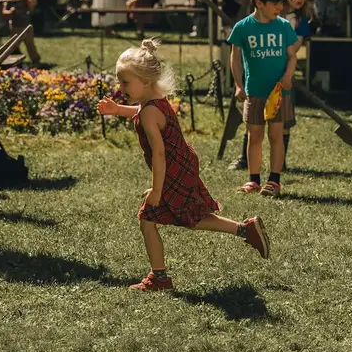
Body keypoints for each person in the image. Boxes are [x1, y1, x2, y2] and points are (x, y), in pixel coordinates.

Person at [97, 39, 270, 292]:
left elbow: (159, 154)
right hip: (182, 164)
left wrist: (157, 190)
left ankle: (161, 279)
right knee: (181, 217)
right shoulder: (154, 99)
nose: (120, 86)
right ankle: (244, 231)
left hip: (173, 168)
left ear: (144, 81)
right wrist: (117, 109)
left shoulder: (148, 111)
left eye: (125, 82)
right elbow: (140, 112)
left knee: (171, 217)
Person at [229, 0, 299, 197]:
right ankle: (254, 180)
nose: (280, 7)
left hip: (277, 92)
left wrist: (288, 75)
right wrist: (238, 85)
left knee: (276, 135)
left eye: (281, 2)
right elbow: (236, 59)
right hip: (254, 91)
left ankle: (274, 181)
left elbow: (292, 56)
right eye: (275, 2)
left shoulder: (284, 26)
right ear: (259, 3)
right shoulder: (242, 28)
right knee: (255, 135)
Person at [1, 0, 41, 66]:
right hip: (15, 26)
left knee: (30, 44)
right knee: (13, 45)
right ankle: (12, 61)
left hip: (26, 25)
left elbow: (31, 7)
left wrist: (29, 0)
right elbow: (4, 12)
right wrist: (10, 11)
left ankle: (36, 60)